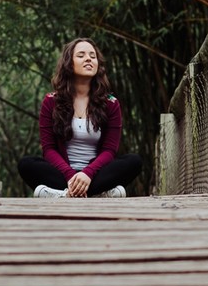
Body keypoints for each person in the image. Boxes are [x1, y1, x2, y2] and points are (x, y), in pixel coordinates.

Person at [18, 38, 142, 198]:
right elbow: (49, 150)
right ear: (69, 63)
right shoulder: (51, 101)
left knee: (134, 161)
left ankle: (62, 195)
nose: (89, 58)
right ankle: (99, 194)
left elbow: (109, 151)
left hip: (96, 173)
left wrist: (87, 174)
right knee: (26, 164)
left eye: (92, 55)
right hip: (63, 174)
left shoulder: (111, 104)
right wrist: (71, 176)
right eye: (81, 55)